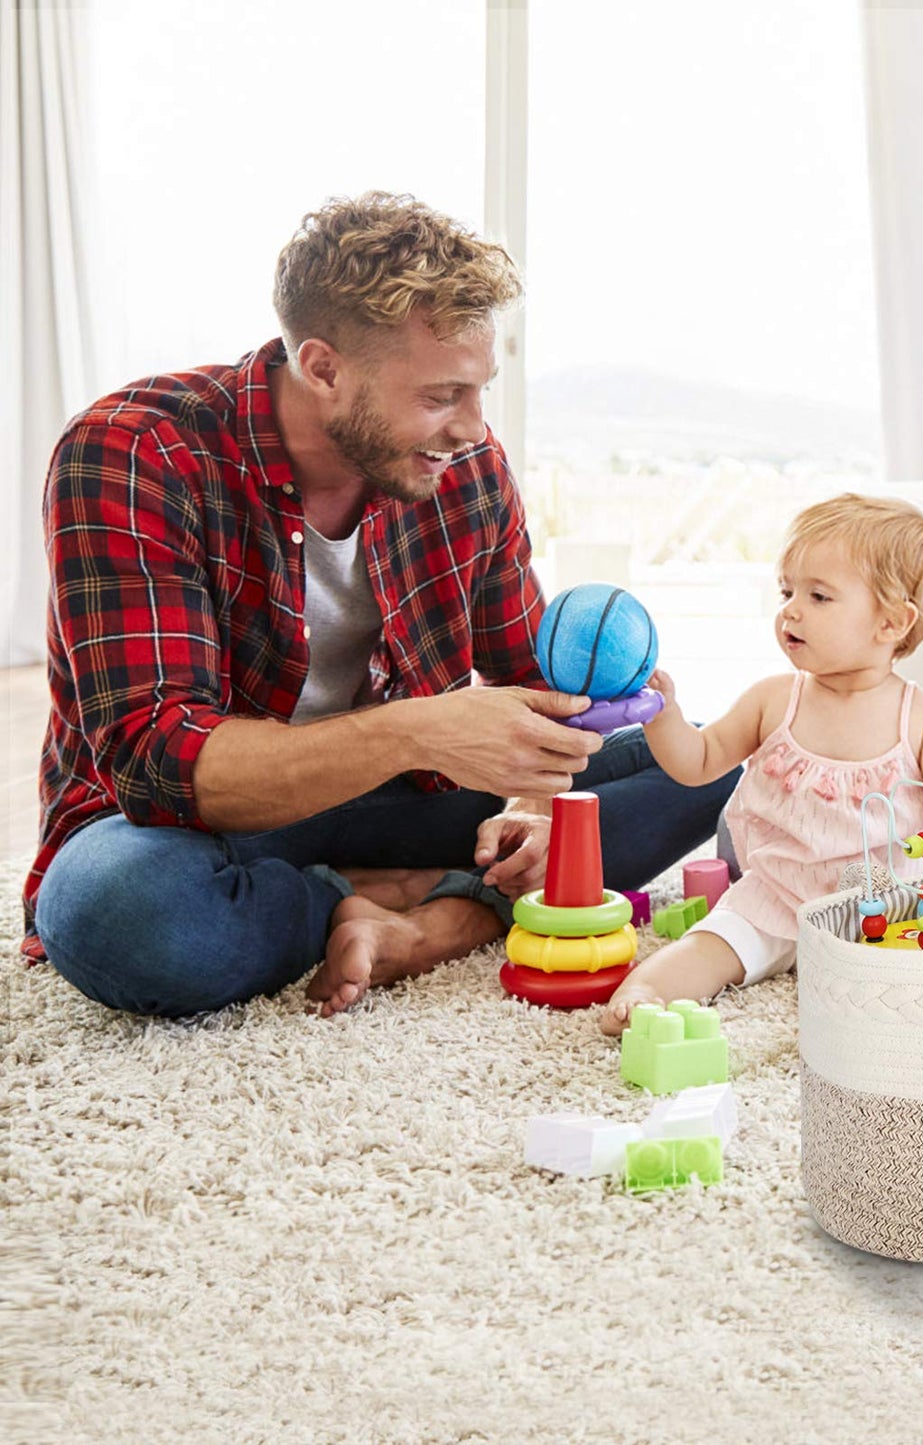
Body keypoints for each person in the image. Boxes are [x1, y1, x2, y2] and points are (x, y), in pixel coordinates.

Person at [24, 191, 738, 1018]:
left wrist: (533, 801)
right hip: (198, 830)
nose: (474, 427)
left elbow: (532, 681)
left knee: (712, 761)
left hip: (405, 798)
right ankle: (415, 903)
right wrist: (421, 728)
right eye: (441, 396)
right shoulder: (134, 451)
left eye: (479, 392)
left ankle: (421, 919)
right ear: (324, 368)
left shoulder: (463, 466)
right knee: (119, 912)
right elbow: (158, 761)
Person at [601, 493, 923, 1035]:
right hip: (777, 896)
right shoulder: (773, 699)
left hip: (890, 904)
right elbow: (699, 762)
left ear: (891, 623)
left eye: (819, 596)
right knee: (711, 944)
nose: (791, 609)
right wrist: (665, 717)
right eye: (787, 591)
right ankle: (646, 990)